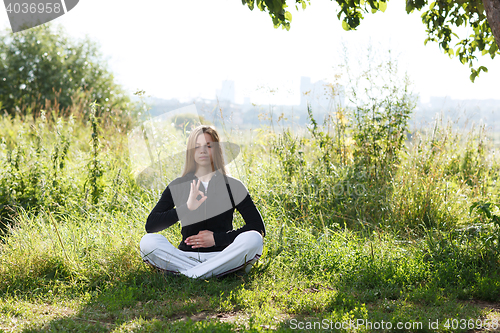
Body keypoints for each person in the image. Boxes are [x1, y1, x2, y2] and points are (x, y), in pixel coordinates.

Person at [140, 125, 265, 279]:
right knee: (148, 242)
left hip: (224, 256)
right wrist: (187, 207)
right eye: (197, 146)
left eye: (208, 146)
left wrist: (216, 239)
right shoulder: (178, 185)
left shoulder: (233, 186)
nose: (203, 151)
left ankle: (189, 275)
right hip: (186, 258)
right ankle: (211, 273)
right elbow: (151, 225)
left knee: (254, 239)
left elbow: (258, 227)